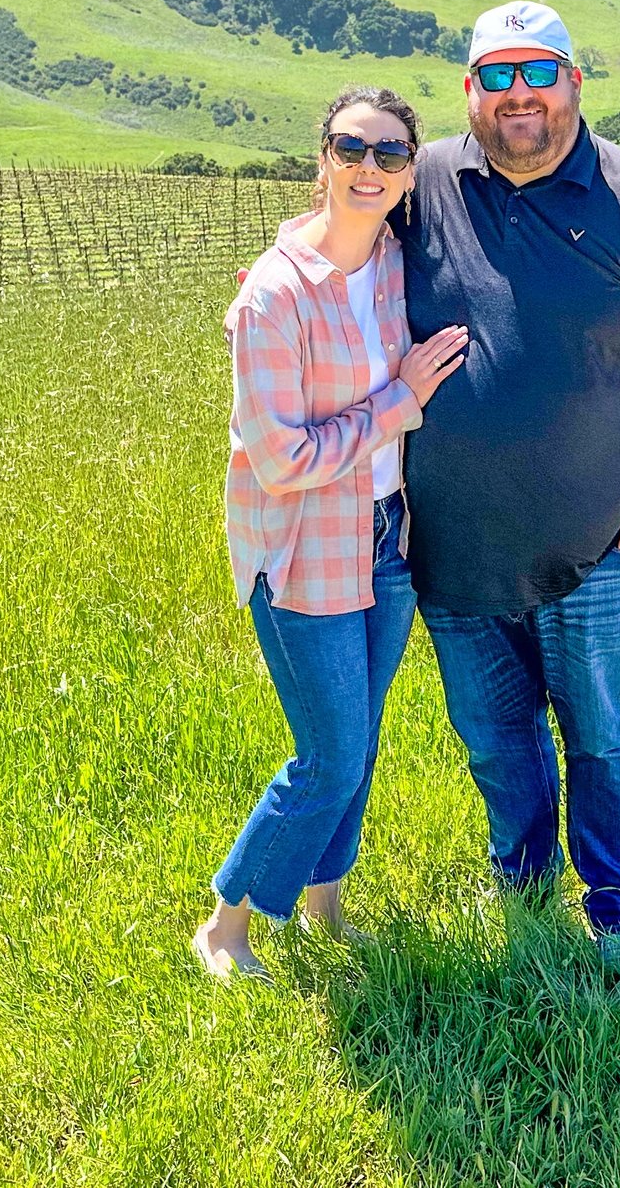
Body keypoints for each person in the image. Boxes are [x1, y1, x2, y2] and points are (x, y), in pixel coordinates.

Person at [396, 0, 620, 956]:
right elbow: (338, 237)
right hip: (454, 548)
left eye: (538, 72)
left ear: (574, 84)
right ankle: (522, 885)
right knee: (494, 739)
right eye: (498, 75)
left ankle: (615, 907)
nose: (520, 94)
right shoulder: (425, 185)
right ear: (470, 90)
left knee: (602, 736)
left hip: (601, 547)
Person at [193, 86, 471, 982]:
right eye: (351, 148)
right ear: (323, 158)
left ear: (408, 174)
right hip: (302, 548)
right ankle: (225, 928)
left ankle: (326, 911)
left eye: (390, 154)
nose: (368, 168)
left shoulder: (392, 260)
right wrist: (399, 402)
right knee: (330, 755)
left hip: (386, 539)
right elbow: (281, 459)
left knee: (361, 742)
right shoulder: (273, 297)